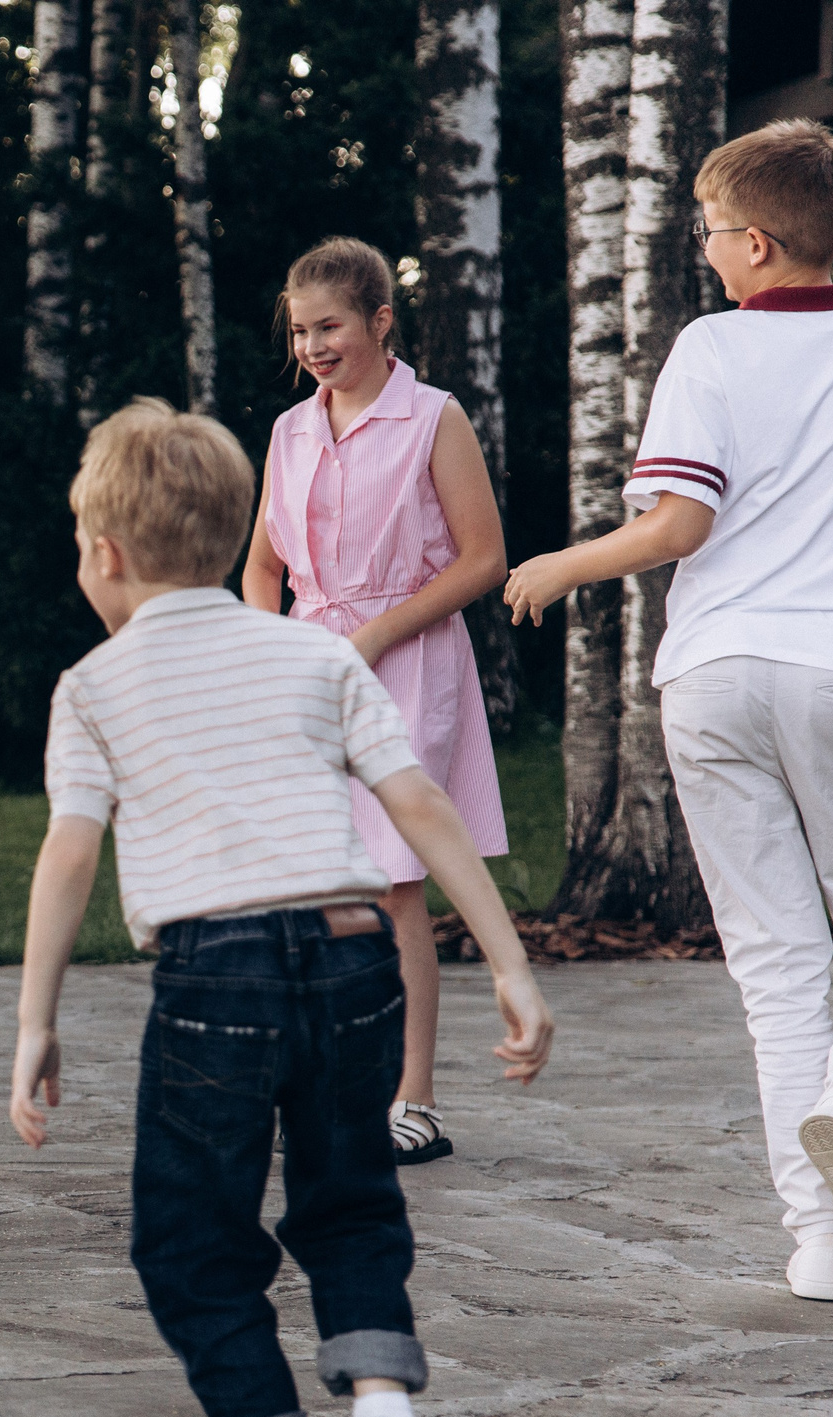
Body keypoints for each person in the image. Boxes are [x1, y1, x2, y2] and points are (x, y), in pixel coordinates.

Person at [13, 400, 554, 1417]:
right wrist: (508, 963)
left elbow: (67, 855)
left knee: (192, 1237)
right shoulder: (312, 650)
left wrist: (36, 1022)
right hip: (357, 951)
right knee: (351, 1202)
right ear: (227, 537)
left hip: (218, 976)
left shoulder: (95, 684)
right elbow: (418, 805)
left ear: (104, 555)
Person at [506, 119, 833, 1304]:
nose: (704, 249)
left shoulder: (709, 350)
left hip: (713, 674)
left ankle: (818, 1242)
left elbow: (678, 527)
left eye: (711, 231)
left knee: (775, 963)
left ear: (760, 244)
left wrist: (559, 565)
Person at [243, 238, 510, 1168]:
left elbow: (484, 559)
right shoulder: (288, 431)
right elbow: (266, 564)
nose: (312, 345)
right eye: (300, 328)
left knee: (395, 883)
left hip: (405, 663)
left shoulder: (434, 418)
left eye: (330, 327)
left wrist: (378, 634)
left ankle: (414, 1100)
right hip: (309, 665)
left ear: (379, 321)